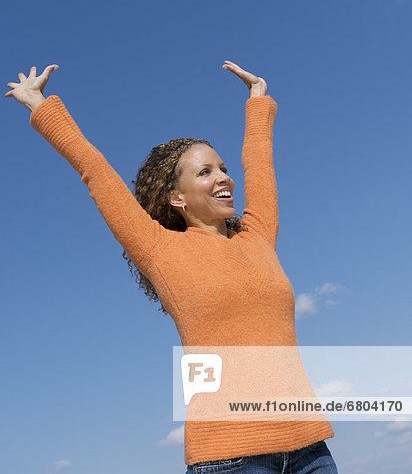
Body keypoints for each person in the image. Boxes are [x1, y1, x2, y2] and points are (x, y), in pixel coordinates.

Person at [4, 61, 339, 473]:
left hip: (310, 450)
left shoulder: (258, 237)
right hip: (229, 458)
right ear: (177, 198)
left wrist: (258, 104)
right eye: (205, 172)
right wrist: (39, 105)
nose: (224, 178)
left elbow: (261, 167)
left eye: (223, 169)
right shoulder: (161, 250)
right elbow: (97, 173)